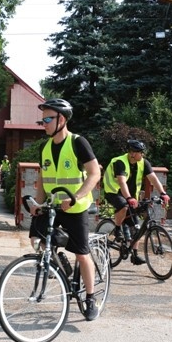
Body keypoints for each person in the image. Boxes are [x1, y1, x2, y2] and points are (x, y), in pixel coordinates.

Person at [27, 98, 101, 321]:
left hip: (76, 206)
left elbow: (94, 174)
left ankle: (90, 297)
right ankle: (63, 266)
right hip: (53, 205)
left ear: (62, 119)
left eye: (47, 119)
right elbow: (42, 177)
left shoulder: (78, 142)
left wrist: (76, 196)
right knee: (39, 240)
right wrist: (37, 205)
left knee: (82, 253)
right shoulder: (45, 147)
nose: (44, 124)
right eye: (42, 120)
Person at [102, 140, 170, 265]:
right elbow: (122, 182)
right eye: (140, 153)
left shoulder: (143, 163)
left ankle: (135, 255)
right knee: (123, 205)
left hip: (131, 196)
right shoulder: (120, 162)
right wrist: (128, 198)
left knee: (136, 226)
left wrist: (163, 193)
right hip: (113, 192)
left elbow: (153, 179)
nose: (142, 155)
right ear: (132, 153)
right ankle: (117, 229)